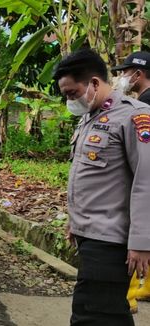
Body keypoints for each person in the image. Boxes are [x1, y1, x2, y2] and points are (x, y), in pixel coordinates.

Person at [54, 48, 150, 326]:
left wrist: (142, 242)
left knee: (94, 314)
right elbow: (88, 179)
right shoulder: (90, 116)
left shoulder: (135, 116)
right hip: (90, 234)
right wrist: (75, 221)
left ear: (94, 83)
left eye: (72, 93)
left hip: (111, 238)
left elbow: (146, 180)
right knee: (102, 311)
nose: (70, 100)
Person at [112, 51, 150, 313]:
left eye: (125, 72)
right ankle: (144, 287)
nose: (122, 77)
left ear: (138, 74)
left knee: (136, 239)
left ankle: (128, 297)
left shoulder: (144, 105)